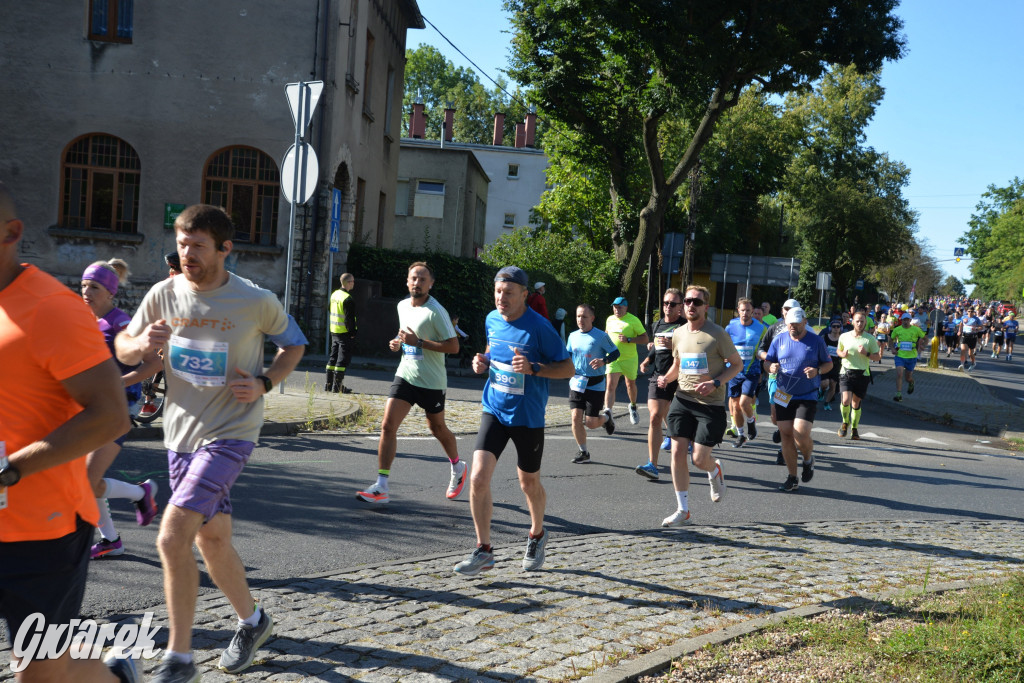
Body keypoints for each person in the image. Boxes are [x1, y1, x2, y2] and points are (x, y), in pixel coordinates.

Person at [116, 204, 306, 681]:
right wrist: (140, 347)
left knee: (172, 535)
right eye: (182, 244)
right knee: (213, 539)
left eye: (198, 245)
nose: (187, 254)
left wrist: (264, 382)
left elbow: (294, 344)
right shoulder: (164, 293)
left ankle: (179, 660)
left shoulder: (254, 299)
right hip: (179, 436)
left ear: (225, 249)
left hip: (230, 434)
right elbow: (123, 343)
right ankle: (254, 621)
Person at [0, 182, 138, 682]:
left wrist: (10, 470)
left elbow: (110, 417)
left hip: (43, 526)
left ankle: (114, 677)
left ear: (11, 232)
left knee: (40, 672)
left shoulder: (52, 309)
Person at [454, 266, 573, 576]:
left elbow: (568, 369)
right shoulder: (492, 320)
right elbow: (494, 350)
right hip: (494, 408)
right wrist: (482, 361)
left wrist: (534, 368)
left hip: (527, 416)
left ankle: (537, 534)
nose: (501, 298)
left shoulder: (540, 327)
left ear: (523, 294)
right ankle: (484, 550)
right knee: (478, 479)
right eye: (497, 292)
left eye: (508, 293)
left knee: (527, 482)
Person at [356, 262, 463, 505]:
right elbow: (404, 333)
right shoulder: (402, 305)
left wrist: (419, 342)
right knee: (387, 425)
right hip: (406, 374)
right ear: (407, 281)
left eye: (423, 279)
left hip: (432, 381)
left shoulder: (437, 312)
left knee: (437, 429)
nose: (417, 282)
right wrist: (398, 341)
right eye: (414, 278)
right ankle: (381, 486)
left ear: (431, 284)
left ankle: (457, 466)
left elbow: (454, 346)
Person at [80, 258, 162, 560]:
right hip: (90, 406)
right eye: (84, 285)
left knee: (87, 480)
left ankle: (141, 495)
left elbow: (154, 363)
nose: (87, 291)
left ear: (110, 293)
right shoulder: (84, 320)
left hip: (118, 408)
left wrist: (118, 383)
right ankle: (112, 538)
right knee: (88, 480)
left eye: (95, 287)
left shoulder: (121, 323)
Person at [656, 285, 740, 526]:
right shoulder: (679, 333)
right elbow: (678, 364)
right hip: (682, 399)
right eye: (688, 301)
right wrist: (666, 378)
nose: (691, 305)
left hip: (709, 404)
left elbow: (736, 365)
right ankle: (683, 509)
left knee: (699, 459)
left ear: (705, 307)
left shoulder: (717, 334)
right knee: (677, 451)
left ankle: (714, 470)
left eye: (697, 302)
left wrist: (716, 382)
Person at [764, 307, 832, 492]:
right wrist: (770, 367)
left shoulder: (815, 341)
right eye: (790, 324)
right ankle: (792, 477)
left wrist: (817, 371)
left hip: (807, 394)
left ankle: (808, 459)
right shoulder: (779, 339)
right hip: (783, 393)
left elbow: (828, 364)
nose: (793, 327)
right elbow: (767, 360)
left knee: (800, 433)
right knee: (785, 433)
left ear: (804, 322)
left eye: (796, 323)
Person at [636, 288, 686, 479]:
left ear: (681, 307)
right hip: (658, 375)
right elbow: (657, 347)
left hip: (681, 378)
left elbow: (690, 350)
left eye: (673, 304)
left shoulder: (685, 327)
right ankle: (652, 465)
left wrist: (672, 344)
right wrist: (647, 360)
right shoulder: (657, 325)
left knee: (674, 417)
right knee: (655, 416)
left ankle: (681, 440)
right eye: (666, 303)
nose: (668, 307)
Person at [565, 304, 619, 463]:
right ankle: (583, 452)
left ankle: (606, 418)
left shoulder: (601, 336)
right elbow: (567, 355)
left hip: (595, 384)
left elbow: (615, 352)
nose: (580, 320)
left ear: (592, 318)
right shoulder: (572, 336)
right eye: (578, 316)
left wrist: (604, 361)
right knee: (575, 417)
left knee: (591, 423)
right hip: (577, 382)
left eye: (584, 316)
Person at [757, 298, 800, 462]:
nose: (787, 311)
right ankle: (781, 430)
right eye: (785, 309)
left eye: (791, 308)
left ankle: (785, 450)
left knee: (792, 417)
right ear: (782, 310)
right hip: (777, 379)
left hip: (796, 381)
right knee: (776, 416)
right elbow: (761, 349)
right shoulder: (775, 328)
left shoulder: (805, 329)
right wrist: (768, 360)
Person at [724, 298, 766, 446]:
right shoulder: (730, 327)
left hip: (751, 371)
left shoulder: (761, 329)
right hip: (734, 371)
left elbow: (764, 348)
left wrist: (766, 357)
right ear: (738, 310)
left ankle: (751, 422)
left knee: (743, 403)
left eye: (748, 310)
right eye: (742, 310)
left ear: (752, 311)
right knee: (735, 406)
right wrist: (724, 357)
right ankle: (741, 434)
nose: (745, 313)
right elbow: (724, 345)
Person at [835, 311, 882, 439]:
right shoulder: (844, 336)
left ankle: (854, 429)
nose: (860, 323)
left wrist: (866, 354)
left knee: (855, 404)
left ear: (865, 322)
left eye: (862, 321)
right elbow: (838, 350)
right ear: (852, 322)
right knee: (845, 400)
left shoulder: (870, 339)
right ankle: (845, 423)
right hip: (846, 372)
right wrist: (842, 354)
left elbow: (878, 357)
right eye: (857, 321)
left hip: (862, 374)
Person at [604, 296, 649, 425]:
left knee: (630, 384)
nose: (616, 310)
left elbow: (645, 339)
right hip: (613, 358)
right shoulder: (610, 319)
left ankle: (633, 406)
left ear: (626, 308)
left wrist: (629, 339)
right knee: (610, 385)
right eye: (615, 307)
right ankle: (608, 413)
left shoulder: (633, 320)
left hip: (629, 358)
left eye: (619, 307)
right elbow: (606, 334)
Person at [326, 272, 357, 393]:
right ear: (348, 283)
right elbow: (349, 319)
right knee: (342, 359)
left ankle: (328, 385)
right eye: (353, 281)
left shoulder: (334, 295)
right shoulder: (347, 299)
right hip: (344, 332)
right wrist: (352, 332)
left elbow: (329, 309)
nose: (353, 283)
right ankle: (337, 387)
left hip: (334, 331)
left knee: (333, 357)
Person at [890, 311, 926, 401]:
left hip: (911, 356)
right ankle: (898, 394)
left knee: (908, 377)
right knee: (899, 374)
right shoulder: (897, 329)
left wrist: (922, 346)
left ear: (910, 320)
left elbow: (925, 338)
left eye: (907, 320)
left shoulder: (916, 329)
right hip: (900, 356)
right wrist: (892, 349)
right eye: (904, 320)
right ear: (901, 320)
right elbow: (890, 340)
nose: (905, 321)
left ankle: (911, 382)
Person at [819, 318, 843, 412]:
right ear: (830, 327)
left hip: (836, 365)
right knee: (825, 383)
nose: (836, 328)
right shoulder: (824, 337)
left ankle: (826, 403)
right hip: (825, 363)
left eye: (838, 326)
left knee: (833, 385)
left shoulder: (842, 339)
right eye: (834, 326)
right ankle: (822, 391)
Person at [958, 307, 983, 371]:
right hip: (965, 335)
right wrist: (959, 331)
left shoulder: (976, 319)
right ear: (967, 311)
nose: (970, 313)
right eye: (969, 311)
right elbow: (961, 324)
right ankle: (962, 364)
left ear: (973, 312)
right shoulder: (964, 317)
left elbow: (981, 327)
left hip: (972, 336)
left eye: (971, 311)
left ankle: (973, 363)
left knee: (970, 354)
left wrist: (976, 329)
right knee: (963, 350)